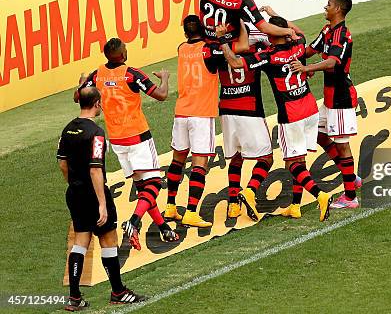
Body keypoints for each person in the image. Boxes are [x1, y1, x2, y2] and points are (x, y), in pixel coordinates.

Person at [219, 17, 333, 222]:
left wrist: (223, 42)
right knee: (300, 158)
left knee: (293, 165)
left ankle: (320, 195)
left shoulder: (269, 56)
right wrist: (280, 20)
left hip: (291, 115)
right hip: (310, 108)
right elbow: (295, 31)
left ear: (272, 32)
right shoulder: (299, 43)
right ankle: (295, 206)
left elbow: (235, 63)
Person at [76, 38, 180, 249]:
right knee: (154, 184)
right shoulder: (131, 73)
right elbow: (161, 95)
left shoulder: (97, 75)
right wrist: (165, 78)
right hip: (138, 136)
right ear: (122, 55)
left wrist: (82, 81)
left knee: (143, 187)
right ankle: (134, 222)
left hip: (117, 140)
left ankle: (163, 228)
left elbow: (78, 96)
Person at [58, 87, 145, 311]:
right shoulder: (96, 132)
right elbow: (96, 169)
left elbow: (62, 163)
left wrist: (73, 183)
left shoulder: (67, 130)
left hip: (74, 192)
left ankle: (75, 297)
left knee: (80, 243)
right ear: (97, 103)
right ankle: (118, 291)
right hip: (93, 193)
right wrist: (102, 203)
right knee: (108, 240)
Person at [290, 0, 361, 209]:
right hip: (330, 99)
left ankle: (350, 197)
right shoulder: (328, 30)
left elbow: (332, 62)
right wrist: (290, 49)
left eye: (329, 4)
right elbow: (310, 50)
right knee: (319, 135)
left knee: (342, 146)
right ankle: (352, 178)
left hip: (341, 98)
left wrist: (307, 68)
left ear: (338, 9)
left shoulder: (342, 34)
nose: (325, 7)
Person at [164, 15, 228, 227]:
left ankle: (171, 206)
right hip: (202, 114)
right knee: (200, 163)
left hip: (181, 112)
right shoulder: (208, 49)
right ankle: (191, 211)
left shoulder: (181, 48)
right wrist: (220, 38)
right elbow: (225, 60)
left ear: (185, 33)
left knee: (177, 160)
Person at [215, 19, 274, 219]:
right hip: (249, 108)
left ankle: (233, 204)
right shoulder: (254, 35)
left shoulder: (216, 40)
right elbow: (275, 42)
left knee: (236, 156)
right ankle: (249, 191)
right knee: (267, 157)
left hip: (226, 108)